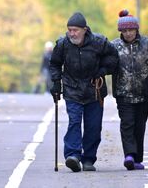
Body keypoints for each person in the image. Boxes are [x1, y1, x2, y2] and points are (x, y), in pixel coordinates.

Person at [49, 12, 119, 172]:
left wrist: (102, 70)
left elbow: (114, 57)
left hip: (94, 90)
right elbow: (54, 63)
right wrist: (55, 83)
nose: (72, 33)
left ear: (85, 30)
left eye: (75, 30)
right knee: (74, 122)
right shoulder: (63, 44)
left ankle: (88, 159)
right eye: (69, 30)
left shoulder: (99, 42)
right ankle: (73, 155)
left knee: (93, 127)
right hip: (72, 89)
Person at [110, 9, 148, 171]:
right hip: (123, 93)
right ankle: (129, 156)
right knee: (127, 124)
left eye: (130, 30)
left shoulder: (147, 44)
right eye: (124, 31)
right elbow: (107, 64)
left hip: (143, 94)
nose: (127, 33)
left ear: (136, 29)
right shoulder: (114, 46)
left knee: (139, 127)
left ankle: (137, 158)